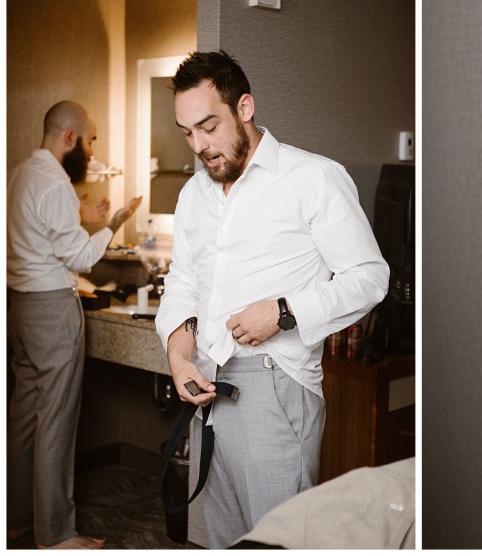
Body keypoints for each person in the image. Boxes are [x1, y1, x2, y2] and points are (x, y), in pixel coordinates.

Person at [155, 51, 389, 547]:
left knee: (279, 542)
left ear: (244, 107)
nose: (200, 145)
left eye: (209, 126)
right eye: (187, 132)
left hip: (275, 388)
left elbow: (370, 277)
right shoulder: (195, 193)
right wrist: (178, 354)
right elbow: (182, 282)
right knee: (223, 541)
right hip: (207, 382)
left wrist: (282, 313)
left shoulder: (314, 178)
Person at [8, 102, 141, 549]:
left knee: (25, 418)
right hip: (51, 309)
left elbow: (40, 236)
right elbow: (81, 258)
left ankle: (18, 522)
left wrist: (85, 219)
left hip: (18, 307)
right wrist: (115, 224)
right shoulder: (56, 183)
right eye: (91, 140)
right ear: (70, 138)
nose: (92, 148)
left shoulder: (21, 173)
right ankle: (57, 535)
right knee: (56, 422)